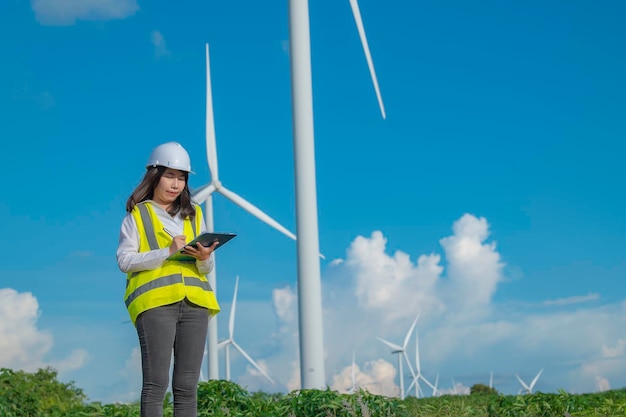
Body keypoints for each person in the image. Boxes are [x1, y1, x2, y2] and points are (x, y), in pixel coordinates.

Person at [116, 141, 220, 417]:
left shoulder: (195, 215)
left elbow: (206, 269)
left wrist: (204, 257)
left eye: (181, 178)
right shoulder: (137, 215)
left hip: (196, 304)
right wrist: (167, 252)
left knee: (187, 386)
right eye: (170, 176)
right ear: (154, 175)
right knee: (156, 384)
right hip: (156, 304)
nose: (176, 184)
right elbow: (124, 261)